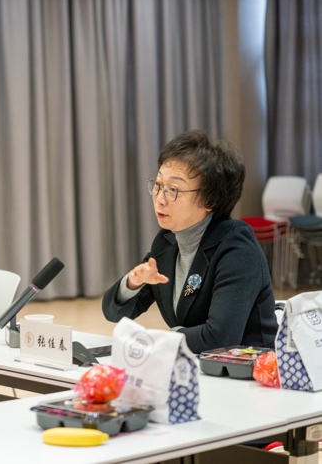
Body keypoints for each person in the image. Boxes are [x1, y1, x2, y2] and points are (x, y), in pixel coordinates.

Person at [102, 130, 278, 354]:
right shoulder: (167, 242)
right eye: (158, 185)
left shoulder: (237, 249)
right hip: (194, 365)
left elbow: (220, 337)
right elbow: (113, 313)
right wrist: (132, 283)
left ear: (210, 200)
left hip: (250, 368)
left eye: (173, 190)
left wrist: (157, 340)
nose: (160, 199)